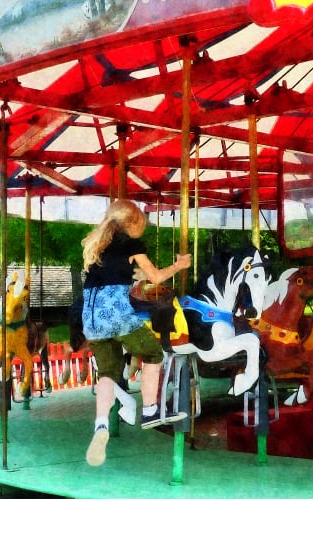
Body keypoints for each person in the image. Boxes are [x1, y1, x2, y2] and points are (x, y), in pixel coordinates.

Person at [82, 199, 192, 466]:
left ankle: (100, 426)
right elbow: (155, 278)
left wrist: (135, 278)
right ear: (132, 223)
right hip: (116, 313)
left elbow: (115, 277)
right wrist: (178, 266)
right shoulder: (131, 245)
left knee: (108, 372)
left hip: (91, 318)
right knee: (154, 355)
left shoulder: (97, 245)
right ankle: (151, 410)